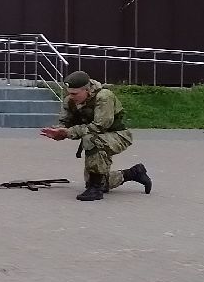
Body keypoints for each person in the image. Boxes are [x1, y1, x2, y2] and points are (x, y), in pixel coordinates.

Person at [40, 70, 151, 201]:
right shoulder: (69, 101)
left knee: (91, 140)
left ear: (87, 90)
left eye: (75, 93)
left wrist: (68, 133)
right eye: (69, 93)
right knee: (95, 180)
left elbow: (99, 126)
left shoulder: (104, 97)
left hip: (118, 135)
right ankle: (133, 173)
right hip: (97, 137)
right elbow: (65, 123)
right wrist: (58, 132)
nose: (71, 96)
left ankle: (96, 189)